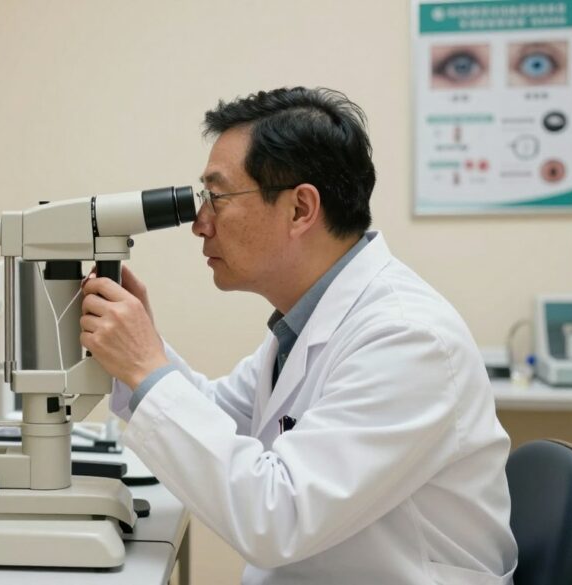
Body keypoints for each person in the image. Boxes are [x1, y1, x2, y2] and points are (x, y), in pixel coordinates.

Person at [80, 87, 517, 584]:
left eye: (216, 198)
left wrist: (145, 366)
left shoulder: (407, 339)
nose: (200, 224)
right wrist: (141, 351)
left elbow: (276, 519)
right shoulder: (309, 321)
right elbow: (220, 412)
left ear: (299, 209)